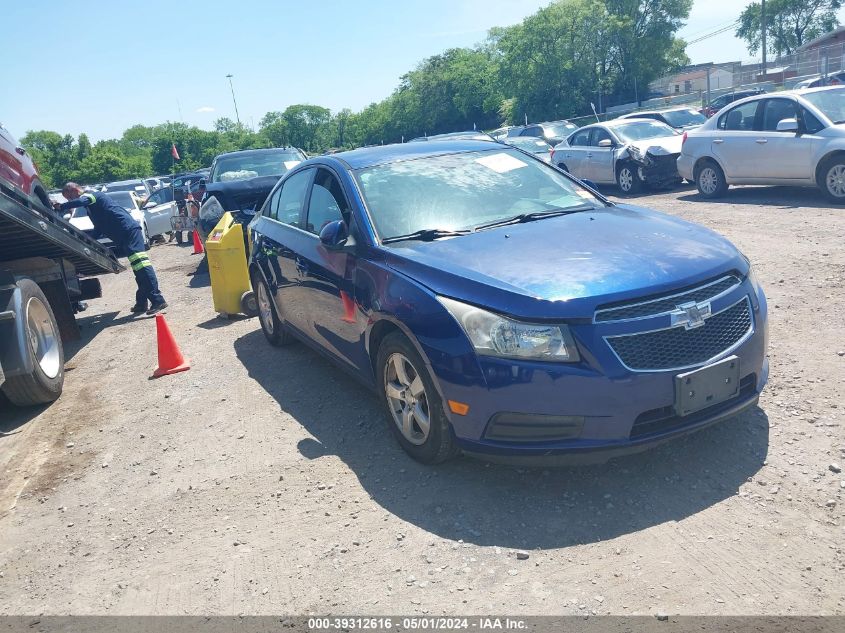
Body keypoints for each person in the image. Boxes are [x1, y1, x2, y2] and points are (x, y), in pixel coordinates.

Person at [55, 183, 168, 315]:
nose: (70, 201)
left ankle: (158, 300)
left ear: (75, 190)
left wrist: (62, 206)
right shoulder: (92, 208)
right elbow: (98, 228)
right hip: (125, 235)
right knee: (138, 270)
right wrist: (87, 240)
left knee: (142, 266)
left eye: (69, 197)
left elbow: (81, 201)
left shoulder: (92, 196)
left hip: (128, 232)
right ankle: (141, 302)